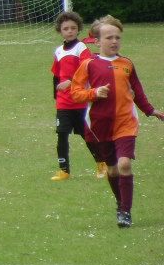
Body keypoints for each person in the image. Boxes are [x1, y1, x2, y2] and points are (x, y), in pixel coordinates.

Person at [69, 16, 164, 228]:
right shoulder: (88, 64)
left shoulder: (127, 64)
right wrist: (94, 93)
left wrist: (150, 110)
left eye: (117, 37)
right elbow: (75, 93)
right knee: (112, 170)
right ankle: (120, 204)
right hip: (99, 126)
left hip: (126, 123)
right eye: (109, 37)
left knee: (124, 164)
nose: (114, 41)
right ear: (97, 41)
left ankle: (126, 212)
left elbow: (137, 90)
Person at [49, 11, 94, 181]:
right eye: (66, 28)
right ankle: (64, 171)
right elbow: (56, 75)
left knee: (86, 135)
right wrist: (57, 95)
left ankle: (102, 163)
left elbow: (88, 68)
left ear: (78, 29)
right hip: (63, 103)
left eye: (73, 28)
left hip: (80, 101)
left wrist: (70, 82)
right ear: (60, 30)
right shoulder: (59, 51)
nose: (69, 31)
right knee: (61, 135)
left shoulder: (81, 48)